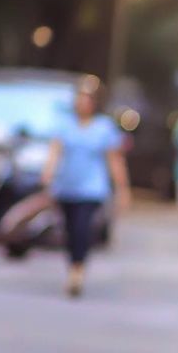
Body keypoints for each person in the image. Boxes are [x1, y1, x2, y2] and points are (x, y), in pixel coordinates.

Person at [39, 81, 130, 295]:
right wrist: (48, 176)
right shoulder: (65, 125)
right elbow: (55, 152)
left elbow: (114, 160)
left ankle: (77, 270)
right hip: (67, 186)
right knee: (70, 230)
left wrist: (122, 188)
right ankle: (73, 263)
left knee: (82, 227)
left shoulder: (104, 127)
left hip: (91, 188)